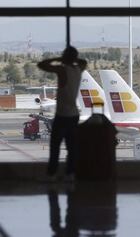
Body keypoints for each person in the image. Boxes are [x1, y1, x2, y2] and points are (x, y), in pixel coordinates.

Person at [38, 46, 87, 181]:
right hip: (74, 114)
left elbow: (41, 65)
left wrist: (59, 59)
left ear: (65, 57)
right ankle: (70, 174)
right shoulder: (78, 69)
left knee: (55, 147)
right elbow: (83, 62)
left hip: (62, 115)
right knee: (72, 147)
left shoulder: (62, 70)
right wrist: (70, 59)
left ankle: (52, 174)